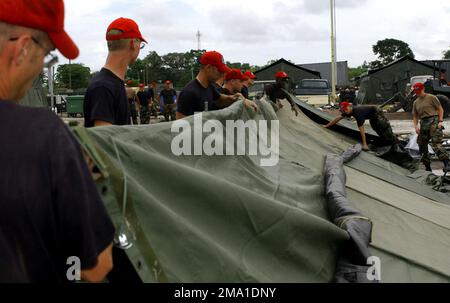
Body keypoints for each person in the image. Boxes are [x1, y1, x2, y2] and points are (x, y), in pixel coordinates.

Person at [0, 0, 114, 282]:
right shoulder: (44, 136)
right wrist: (77, 181)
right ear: (23, 48)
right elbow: (95, 267)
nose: (41, 66)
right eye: (47, 55)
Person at [84, 17, 147, 127]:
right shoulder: (103, 87)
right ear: (133, 43)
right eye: (140, 44)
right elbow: (104, 140)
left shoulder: (110, 84)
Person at [176, 50, 239, 119]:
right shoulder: (189, 93)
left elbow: (220, 99)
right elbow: (180, 124)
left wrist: (237, 98)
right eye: (220, 71)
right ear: (208, 68)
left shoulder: (210, 86)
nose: (222, 74)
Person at [324, 102, 397, 151]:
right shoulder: (348, 112)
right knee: (377, 129)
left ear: (349, 107)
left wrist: (365, 144)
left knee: (383, 127)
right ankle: (386, 141)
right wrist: (327, 125)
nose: (345, 111)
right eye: (343, 110)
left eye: (346, 109)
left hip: (377, 112)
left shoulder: (357, 113)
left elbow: (362, 130)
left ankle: (394, 142)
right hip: (371, 116)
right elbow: (337, 119)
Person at [412, 82, 449, 172]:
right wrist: (416, 126)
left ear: (423, 89)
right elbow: (415, 116)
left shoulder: (432, 97)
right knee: (421, 144)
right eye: (416, 91)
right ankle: (427, 167)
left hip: (434, 120)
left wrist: (440, 121)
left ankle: (447, 164)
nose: (418, 93)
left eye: (419, 91)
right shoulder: (415, 102)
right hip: (423, 123)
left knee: (436, 143)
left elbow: (440, 109)